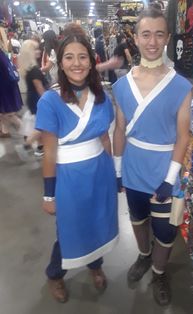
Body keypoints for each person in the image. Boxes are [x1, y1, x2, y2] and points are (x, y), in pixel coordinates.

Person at [112, 7, 192, 306]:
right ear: (136, 37)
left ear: (168, 38)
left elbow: (183, 136)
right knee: (137, 219)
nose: (152, 41)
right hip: (133, 169)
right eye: (146, 34)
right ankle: (144, 256)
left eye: (159, 34)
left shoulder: (181, 86)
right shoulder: (121, 86)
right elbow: (119, 130)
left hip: (164, 173)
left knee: (166, 230)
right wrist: (118, 170)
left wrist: (170, 180)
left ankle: (159, 272)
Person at [35, 33, 118, 303]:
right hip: (68, 178)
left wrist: (116, 174)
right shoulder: (50, 101)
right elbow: (49, 151)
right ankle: (55, 273)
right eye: (69, 57)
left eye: (82, 56)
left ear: (92, 62)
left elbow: (105, 137)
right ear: (60, 63)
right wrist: (49, 194)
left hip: (100, 172)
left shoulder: (101, 96)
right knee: (68, 230)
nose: (77, 63)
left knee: (97, 221)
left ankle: (95, 265)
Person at [15, 39, 48, 160]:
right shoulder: (34, 70)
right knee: (41, 126)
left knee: (39, 124)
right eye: (36, 49)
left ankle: (39, 147)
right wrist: (49, 102)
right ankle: (26, 145)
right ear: (30, 52)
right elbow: (40, 89)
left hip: (33, 99)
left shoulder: (29, 68)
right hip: (38, 100)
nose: (39, 51)